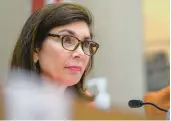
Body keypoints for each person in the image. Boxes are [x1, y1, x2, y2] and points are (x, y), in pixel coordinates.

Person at [10, 3, 99, 103]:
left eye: (86, 44)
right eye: (67, 40)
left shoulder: (88, 107)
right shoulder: (10, 105)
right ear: (36, 48)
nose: (80, 53)